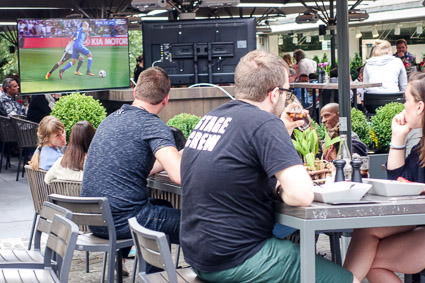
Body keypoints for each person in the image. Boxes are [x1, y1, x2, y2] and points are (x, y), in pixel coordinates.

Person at [180, 50, 358, 283]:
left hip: (200, 255)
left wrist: (282, 129)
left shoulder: (212, 118)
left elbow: (240, 167)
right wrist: (283, 188)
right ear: (275, 93)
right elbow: (301, 195)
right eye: (286, 91)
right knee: (351, 281)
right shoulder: (264, 123)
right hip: (239, 257)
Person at [80, 66, 181, 273]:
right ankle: (167, 275)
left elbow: (138, 169)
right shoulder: (153, 126)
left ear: (135, 92)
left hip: (96, 219)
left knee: (163, 206)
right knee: (196, 223)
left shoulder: (110, 120)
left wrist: (175, 155)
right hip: (124, 221)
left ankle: (154, 273)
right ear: (166, 99)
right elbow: (179, 175)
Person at [343, 72, 425, 283]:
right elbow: (399, 180)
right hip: (418, 220)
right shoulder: (420, 148)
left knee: (369, 258)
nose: (402, 106)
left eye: (405, 100)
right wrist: (398, 136)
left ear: (419, 107)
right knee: (368, 231)